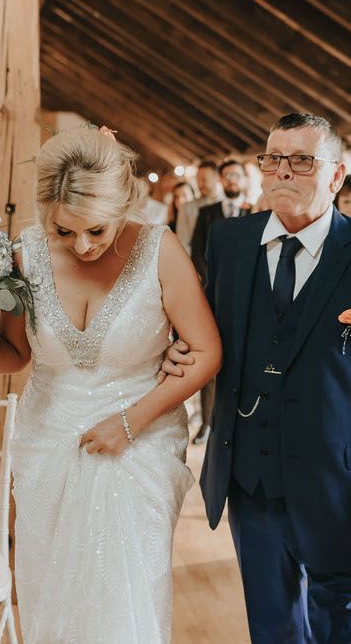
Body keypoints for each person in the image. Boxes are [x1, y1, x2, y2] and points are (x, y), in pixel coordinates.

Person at [0, 127, 222, 643]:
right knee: (51, 592)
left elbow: (206, 351)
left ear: (124, 205)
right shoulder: (24, 256)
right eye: (64, 232)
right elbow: (15, 354)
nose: (83, 245)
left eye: (96, 230)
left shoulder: (159, 251)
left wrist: (127, 424)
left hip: (141, 441)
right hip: (47, 440)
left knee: (124, 589)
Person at [163, 113, 351, 643]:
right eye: (273, 160)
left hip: (337, 477)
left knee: (341, 617)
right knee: (271, 625)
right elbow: (208, 329)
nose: (283, 172)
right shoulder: (228, 240)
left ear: (336, 177)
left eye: (301, 161)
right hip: (251, 473)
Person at [189, 160, 251, 445]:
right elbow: (198, 251)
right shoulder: (207, 213)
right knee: (210, 357)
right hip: (213, 293)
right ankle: (206, 423)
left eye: (237, 175)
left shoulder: (254, 212)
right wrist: (212, 281)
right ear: (222, 180)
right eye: (228, 176)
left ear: (244, 179)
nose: (232, 180)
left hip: (248, 295)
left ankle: (238, 422)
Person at [175, 160, 223, 254]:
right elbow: (183, 242)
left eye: (204, 179)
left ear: (216, 178)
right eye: (198, 180)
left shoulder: (227, 206)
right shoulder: (186, 208)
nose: (200, 184)